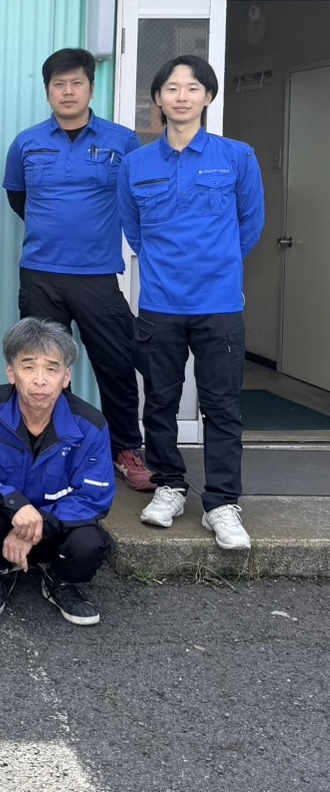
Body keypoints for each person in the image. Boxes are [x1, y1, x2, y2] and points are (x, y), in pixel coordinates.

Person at [118, 55, 265, 550]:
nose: (182, 96)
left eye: (193, 87)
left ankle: (222, 502)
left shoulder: (237, 156)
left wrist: (218, 265)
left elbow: (251, 223)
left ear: (208, 96)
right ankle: (170, 486)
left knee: (222, 405)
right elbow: (133, 228)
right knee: (160, 400)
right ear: (158, 98)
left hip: (219, 304)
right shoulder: (136, 164)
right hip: (160, 303)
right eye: (172, 88)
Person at [3, 48, 153, 491]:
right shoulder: (27, 143)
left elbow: (135, 200)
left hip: (97, 275)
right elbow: (18, 198)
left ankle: (126, 449)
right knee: (42, 368)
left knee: (116, 363)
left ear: (91, 88)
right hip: (41, 274)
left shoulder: (122, 141)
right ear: (47, 91)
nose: (67, 92)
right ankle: (53, 449)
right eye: (58, 84)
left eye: (76, 83)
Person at [0, 318, 115, 626]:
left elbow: (94, 496)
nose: (40, 380)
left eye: (52, 369)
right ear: (11, 373)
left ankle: (60, 580)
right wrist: (14, 504)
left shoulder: (91, 424)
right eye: (29, 367)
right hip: (4, 519)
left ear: (66, 378)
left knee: (90, 542)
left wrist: (39, 525)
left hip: (57, 528)